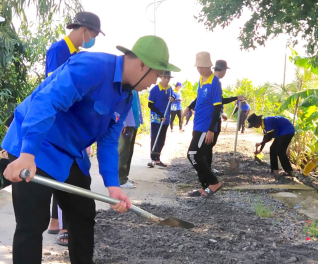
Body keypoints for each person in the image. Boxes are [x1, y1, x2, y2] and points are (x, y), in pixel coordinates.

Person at [2, 35, 180, 264]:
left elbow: (107, 142)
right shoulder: (92, 67)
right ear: (142, 65)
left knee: (83, 216)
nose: (156, 81)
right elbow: (46, 102)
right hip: (37, 144)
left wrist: (113, 186)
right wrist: (27, 155)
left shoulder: (126, 97)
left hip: (70, 153)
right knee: (32, 224)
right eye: (157, 73)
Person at [45, 11, 104, 246]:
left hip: (72, 123)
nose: (94, 39)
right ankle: (62, 225)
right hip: (59, 123)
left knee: (66, 172)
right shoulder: (59, 50)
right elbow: (55, 89)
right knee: (63, 173)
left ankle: (57, 222)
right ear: (84, 30)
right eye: (94, 34)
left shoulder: (77, 54)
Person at [184, 59, 245, 174]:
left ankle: (207, 168)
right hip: (210, 120)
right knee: (204, 147)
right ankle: (205, 171)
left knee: (207, 146)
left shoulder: (208, 80)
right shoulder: (214, 81)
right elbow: (218, 101)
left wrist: (188, 107)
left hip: (206, 119)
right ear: (223, 70)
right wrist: (235, 98)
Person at [187, 52, 223, 198]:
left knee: (193, 154)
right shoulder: (202, 79)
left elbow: (217, 107)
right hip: (198, 125)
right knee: (199, 155)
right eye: (198, 67)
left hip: (205, 126)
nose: (200, 69)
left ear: (209, 65)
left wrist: (211, 130)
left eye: (202, 66)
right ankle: (205, 186)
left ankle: (214, 182)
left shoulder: (215, 82)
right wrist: (188, 108)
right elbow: (200, 100)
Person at [247, 114, 295, 179]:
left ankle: (289, 171)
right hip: (281, 133)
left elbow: (269, 137)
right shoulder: (264, 125)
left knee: (280, 151)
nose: (254, 127)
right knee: (273, 149)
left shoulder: (268, 122)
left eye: (254, 126)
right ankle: (274, 169)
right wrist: (260, 150)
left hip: (287, 131)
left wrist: (260, 143)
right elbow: (265, 138)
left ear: (257, 123)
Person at [147, 71, 175, 168]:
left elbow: (173, 96)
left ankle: (157, 157)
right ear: (161, 78)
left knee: (162, 139)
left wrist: (172, 98)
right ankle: (154, 158)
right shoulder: (155, 89)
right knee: (155, 138)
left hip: (166, 118)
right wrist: (160, 114)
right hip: (156, 118)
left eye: (168, 78)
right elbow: (150, 104)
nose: (167, 80)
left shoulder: (170, 88)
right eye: (165, 78)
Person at [118, 90, 143, 189]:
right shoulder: (125, 87)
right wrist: (123, 122)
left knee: (129, 151)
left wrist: (140, 119)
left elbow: (137, 104)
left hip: (133, 123)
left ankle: (124, 175)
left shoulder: (135, 88)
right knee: (123, 150)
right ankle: (120, 179)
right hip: (126, 124)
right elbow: (119, 104)